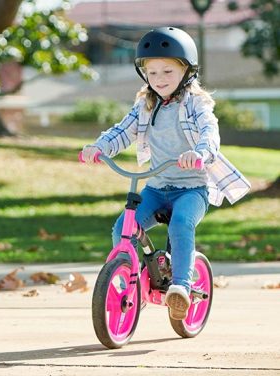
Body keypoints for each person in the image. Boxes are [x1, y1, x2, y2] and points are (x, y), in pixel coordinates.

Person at [80, 27, 250, 320]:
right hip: (157, 188)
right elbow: (122, 131)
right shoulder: (144, 105)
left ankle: (180, 288)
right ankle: (133, 279)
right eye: (153, 73)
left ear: (187, 71)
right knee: (123, 228)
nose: (159, 79)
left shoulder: (196, 104)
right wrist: (99, 147)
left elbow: (209, 133)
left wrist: (199, 154)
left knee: (182, 223)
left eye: (168, 72)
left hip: (191, 190)